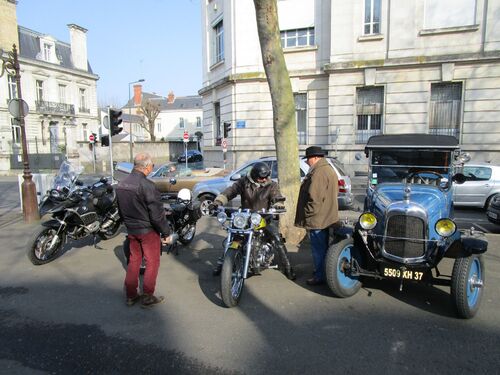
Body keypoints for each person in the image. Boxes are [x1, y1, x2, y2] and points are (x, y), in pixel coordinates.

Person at [211, 162, 295, 279]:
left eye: (266, 176)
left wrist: (278, 204)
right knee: (233, 238)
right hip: (245, 217)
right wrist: (218, 201)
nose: (264, 179)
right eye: (262, 177)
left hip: (264, 217)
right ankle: (223, 265)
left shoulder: (272, 185)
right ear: (255, 175)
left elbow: (276, 196)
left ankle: (288, 268)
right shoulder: (243, 182)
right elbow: (230, 191)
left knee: (277, 238)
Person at [116, 152, 174, 308]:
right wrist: (166, 232)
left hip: (132, 230)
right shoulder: (147, 186)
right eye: (152, 166)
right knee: (152, 262)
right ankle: (148, 296)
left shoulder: (121, 184)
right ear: (147, 167)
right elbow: (157, 215)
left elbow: (120, 210)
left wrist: (128, 225)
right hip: (147, 231)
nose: (152, 168)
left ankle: (131, 295)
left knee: (134, 261)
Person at [295, 146, 339, 286]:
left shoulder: (319, 172)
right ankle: (324, 273)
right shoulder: (327, 169)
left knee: (319, 250)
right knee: (323, 248)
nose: (307, 162)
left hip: (318, 218)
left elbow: (314, 198)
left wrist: (308, 214)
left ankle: (320, 276)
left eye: (308, 159)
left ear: (314, 158)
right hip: (326, 216)